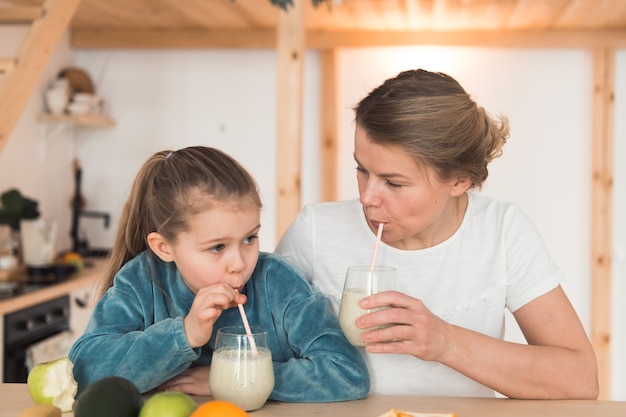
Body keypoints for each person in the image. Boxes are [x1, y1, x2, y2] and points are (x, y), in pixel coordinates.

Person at [275, 69, 598, 400]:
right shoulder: (314, 231)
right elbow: (254, 355)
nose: (367, 197)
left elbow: (579, 379)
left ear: (459, 181)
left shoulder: (501, 230)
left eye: (394, 182)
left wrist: (447, 341)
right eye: (362, 170)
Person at [68, 146, 369, 402]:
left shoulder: (278, 282)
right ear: (164, 247)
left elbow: (347, 374)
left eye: (249, 238)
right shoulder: (142, 281)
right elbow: (84, 370)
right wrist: (184, 334)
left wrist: (232, 380)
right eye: (217, 247)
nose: (238, 263)